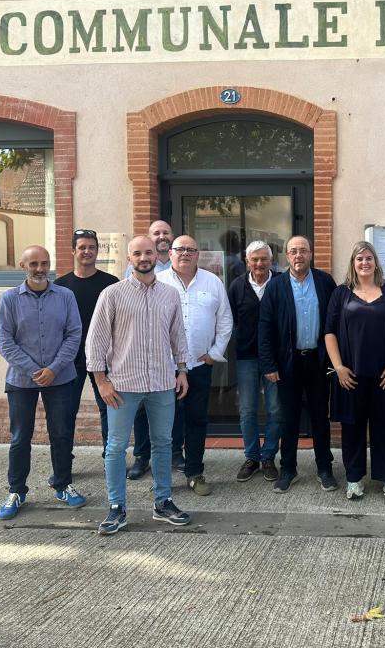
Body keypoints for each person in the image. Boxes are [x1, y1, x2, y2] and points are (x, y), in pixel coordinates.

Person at [87, 235, 191, 535]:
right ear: (129, 259)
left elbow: (178, 337)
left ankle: (163, 502)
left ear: (157, 256)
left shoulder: (169, 295)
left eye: (148, 252)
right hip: (122, 385)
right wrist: (101, 380)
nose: (144, 258)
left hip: (161, 382)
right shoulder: (112, 294)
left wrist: (182, 370)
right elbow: (96, 340)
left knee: (163, 443)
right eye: (137, 253)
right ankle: (116, 507)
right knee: (116, 447)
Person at [0, 245, 84, 520]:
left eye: (44, 263)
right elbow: (5, 342)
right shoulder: (9, 299)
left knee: (61, 434)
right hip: (22, 380)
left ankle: (62, 485)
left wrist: (54, 369)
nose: (40, 268)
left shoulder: (66, 296)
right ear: (23, 266)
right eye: (33, 263)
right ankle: (17, 490)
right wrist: (36, 370)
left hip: (61, 378)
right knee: (20, 437)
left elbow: (74, 334)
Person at [325, 241, 385, 500]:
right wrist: (338, 367)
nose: (364, 263)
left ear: (376, 263)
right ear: (353, 263)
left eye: (369, 258)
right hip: (350, 375)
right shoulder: (341, 293)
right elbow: (329, 332)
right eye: (360, 258)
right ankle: (353, 479)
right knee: (352, 429)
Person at [258, 235, 338, 493]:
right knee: (288, 419)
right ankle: (288, 469)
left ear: (311, 254)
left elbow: (336, 323)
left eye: (303, 250)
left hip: (319, 361)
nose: (298, 255)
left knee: (319, 418)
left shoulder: (325, 282)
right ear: (286, 256)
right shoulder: (276, 286)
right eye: (293, 251)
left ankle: (324, 468)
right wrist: (269, 365)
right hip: (287, 363)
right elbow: (265, 327)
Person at [157, 235, 233, 496]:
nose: (185, 254)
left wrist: (214, 353)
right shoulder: (158, 282)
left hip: (200, 366)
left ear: (198, 254)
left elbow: (225, 321)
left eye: (190, 249)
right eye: (180, 249)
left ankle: (195, 473)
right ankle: (165, 477)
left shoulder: (212, 282)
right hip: (165, 368)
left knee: (197, 420)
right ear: (170, 253)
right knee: (166, 423)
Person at [54, 228, 119, 457]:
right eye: (82, 247)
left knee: (108, 409)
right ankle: (64, 463)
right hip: (70, 360)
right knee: (66, 412)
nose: (87, 251)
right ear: (73, 251)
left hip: (104, 359)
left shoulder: (111, 284)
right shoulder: (60, 286)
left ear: (97, 251)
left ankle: (110, 459)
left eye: (92, 247)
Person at [125, 219, 176, 481]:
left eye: (166, 232)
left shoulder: (179, 262)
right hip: (139, 358)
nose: (161, 236)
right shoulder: (133, 270)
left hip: (168, 358)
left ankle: (172, 456)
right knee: (141, 413)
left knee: (167, 412)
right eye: (156, 233)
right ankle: (142, 456)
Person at [228, 240, 281, 483]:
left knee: (274, 408)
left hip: (276, 358)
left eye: (264, 259)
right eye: (255, 259)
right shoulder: (237, 286)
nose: (259, 263)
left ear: (271, 261)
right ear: (247, 261)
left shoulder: (281, 283)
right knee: (247, 409)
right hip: (246, 357)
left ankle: (269, 456)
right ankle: (252, 457)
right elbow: (229, 321)